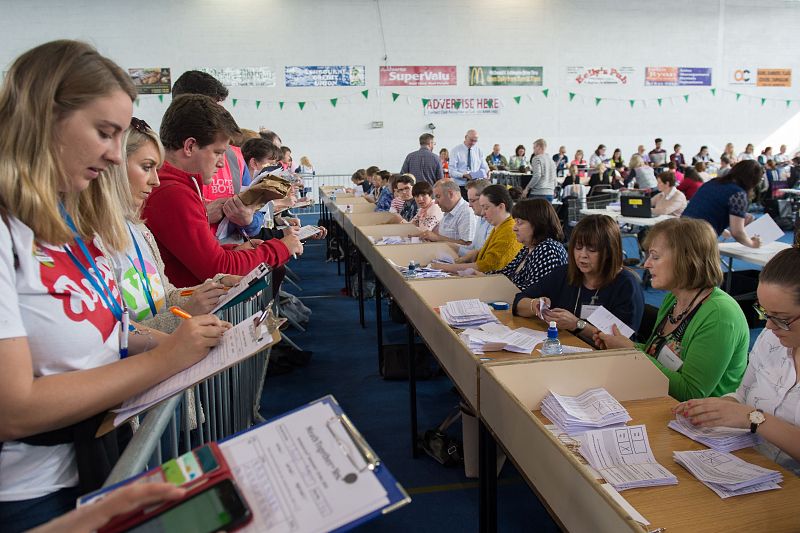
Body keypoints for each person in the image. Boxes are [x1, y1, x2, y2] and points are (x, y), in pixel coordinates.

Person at [0, 40, 230, 532]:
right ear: (43, 118)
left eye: (120, 138)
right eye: (105, 133)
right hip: (28, 494)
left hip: (93, 465)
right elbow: (13, 408)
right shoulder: (7, 233)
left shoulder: (71, 227)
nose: (111, 155)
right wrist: (164, 360)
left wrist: (179, 343)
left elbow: (113, 326)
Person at [142, 94, 303, 287]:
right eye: (218, 152)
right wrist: (281, 248)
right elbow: (216, 269)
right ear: (190, 146)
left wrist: (234, 250)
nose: (221, 163)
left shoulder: (180, 186)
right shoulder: (173, 193)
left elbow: (199, 258)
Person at [674, 241, 800, 475]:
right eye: (765, 313)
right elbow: (744, 394)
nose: (770, 326)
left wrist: (755, 418)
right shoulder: (772, 338)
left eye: (782, 318)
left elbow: (750, 414)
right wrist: (716, 408)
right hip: (752, 465)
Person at [106, 117, 239, 330]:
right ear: (113, 167)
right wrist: (186, 314)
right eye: (146, 167)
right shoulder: (93, 241)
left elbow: (164, 296)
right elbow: (117, 337)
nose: (155, 180)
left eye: (156, 168)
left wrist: (212, 289)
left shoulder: (139, 229)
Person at [596, 218, 749, 402]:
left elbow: (690, 393)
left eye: (655, 256)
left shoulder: (719, 314)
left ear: (685, 258)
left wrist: (632, 352)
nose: (646, 264)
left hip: (704, 423)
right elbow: (657, 353)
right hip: (663, 403)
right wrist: (620, 345)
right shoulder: (673, 298)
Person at [513, 215, 644, 343]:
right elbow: (518, 302)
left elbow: (624, 344)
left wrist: (577, 324)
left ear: (609, 251)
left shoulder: (626, 285)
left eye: (592, 250)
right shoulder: (564, 273)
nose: (582, 255)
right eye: (578, 248)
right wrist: (535, 305)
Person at [432, 185, 521, 274]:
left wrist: (444, 267)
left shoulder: (509, 231)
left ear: (501, 207)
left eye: (486, 208)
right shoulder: (500, 226)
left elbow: (487, 266)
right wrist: (477, 253)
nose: (483, 212)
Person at [490, 199, 567, 290]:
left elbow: (533, 291)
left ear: (538, 223)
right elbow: (506, 272)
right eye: (515, 222)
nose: (514, 228)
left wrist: (494, 286)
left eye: (519, 222)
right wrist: (482, 276)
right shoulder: (528, 247)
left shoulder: (549, 250)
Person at [682, 160, 763, 247]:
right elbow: (737, 232)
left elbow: (705, 210)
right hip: (698, 238)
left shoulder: (713, 182)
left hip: (680, 229)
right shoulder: (738, 194)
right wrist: (752, 244)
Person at [419, 179, 477, 245]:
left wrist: (437, 238)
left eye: (438, 196)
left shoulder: (466, 212)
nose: (435, 202)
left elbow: (468, 245)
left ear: (450, 194)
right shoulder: (448, 210)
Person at [454, 179, 491, 258]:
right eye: (469, 201)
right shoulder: (480, 218)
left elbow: (482, 256)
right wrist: (450, 246)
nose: (470, 205)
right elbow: (473, 247)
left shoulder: (493, 222)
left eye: (472, 201)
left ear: (484, 199)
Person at [449, 129, 488, 197]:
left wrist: (488, 171)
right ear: (465, 137)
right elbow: (451, 171)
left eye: (475, 141)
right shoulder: (456, 150)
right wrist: (463, 175)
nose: (473, 143)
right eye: (471, 140)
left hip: (476, 186)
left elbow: (484, 166)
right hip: (461, 186)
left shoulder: (479, 151)